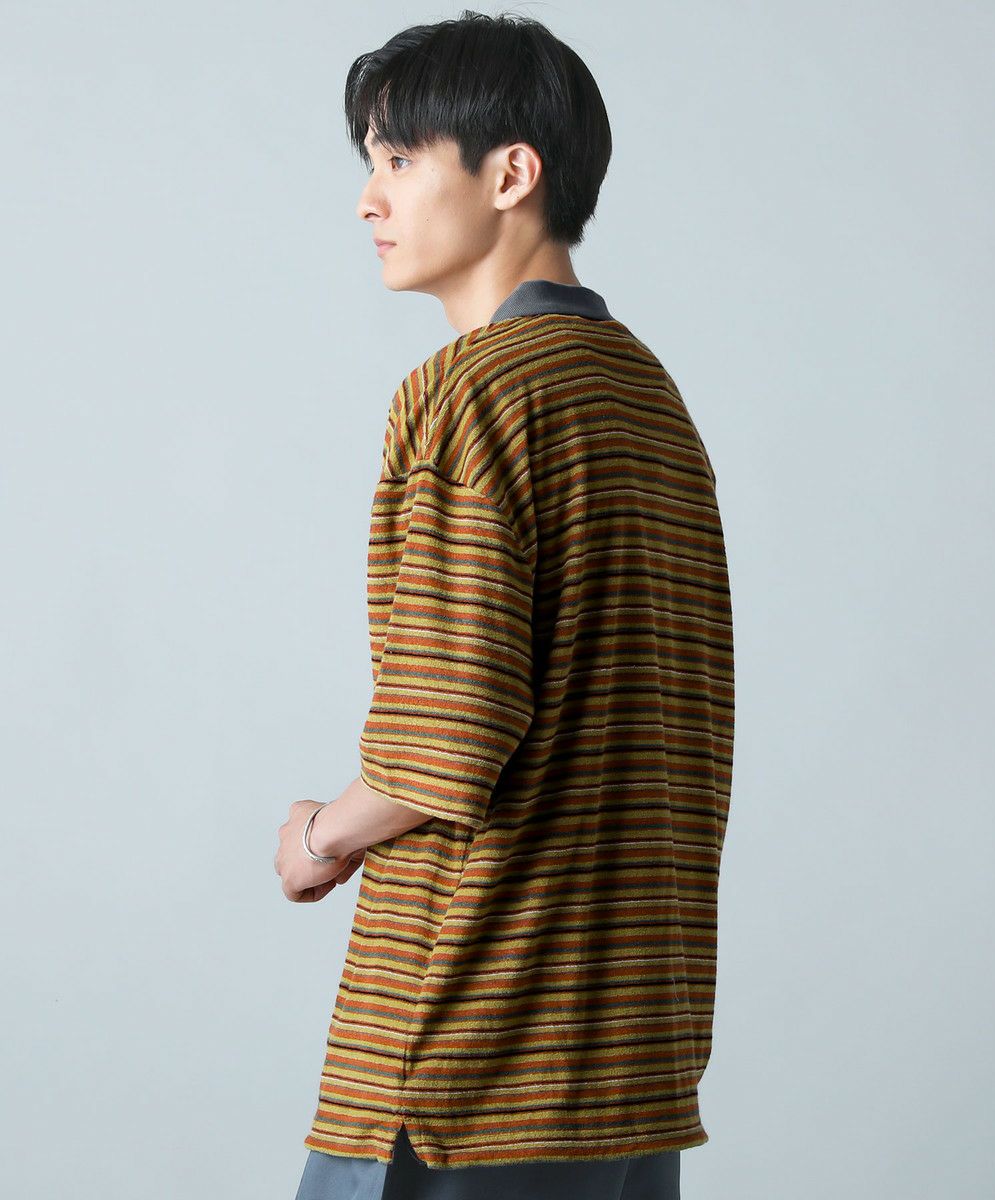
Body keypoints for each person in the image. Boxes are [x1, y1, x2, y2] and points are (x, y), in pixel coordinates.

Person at [274, 10, 734, 1199]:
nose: (368, 200)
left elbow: (443, 739)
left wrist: (317, 837)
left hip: (465, 1045)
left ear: (510, 173)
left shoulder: (471, 393)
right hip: (627, 1046)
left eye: (398, 158)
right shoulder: (645, 395)